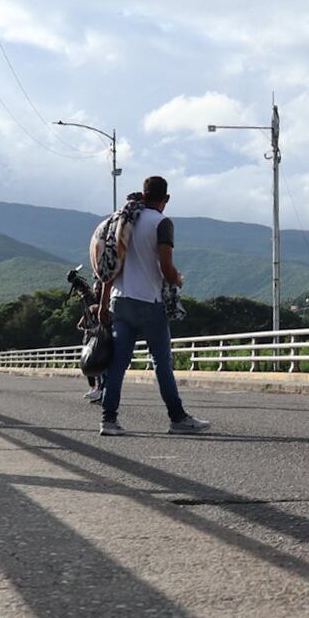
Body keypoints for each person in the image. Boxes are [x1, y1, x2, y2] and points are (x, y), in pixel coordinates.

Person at [97, 176, 210, 436]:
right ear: (166, 199)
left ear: (144, 196)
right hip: (150, 302)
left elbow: (110, 268)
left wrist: (103, 305)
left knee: (117, 365)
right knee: (162, 363)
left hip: (120, 301)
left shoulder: (122, 221)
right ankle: (177, 418)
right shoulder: (162, 223)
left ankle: (109, 420)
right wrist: (177, 279)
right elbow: (166, 268)